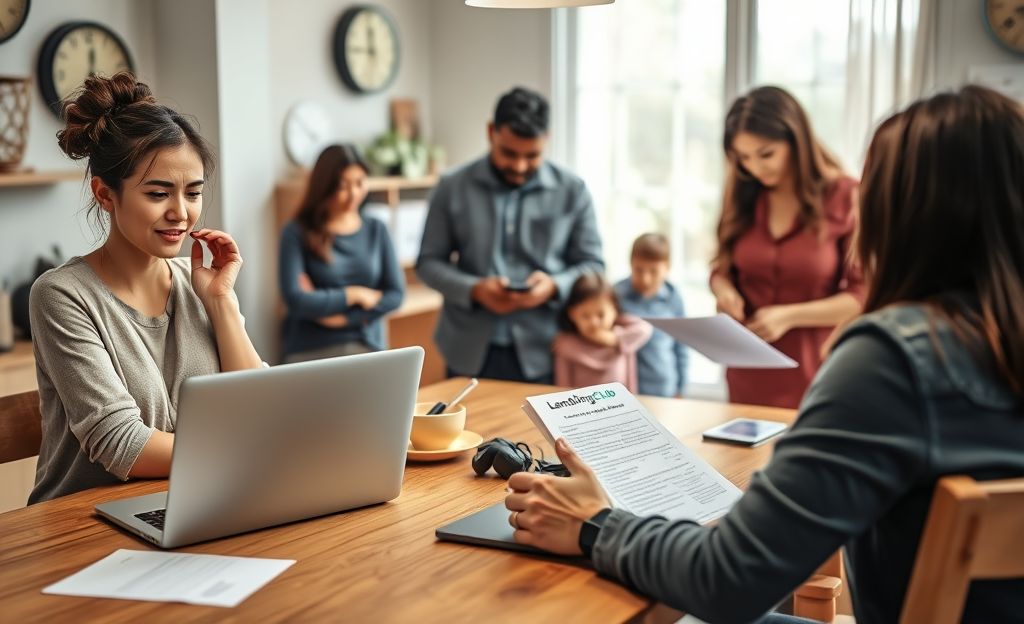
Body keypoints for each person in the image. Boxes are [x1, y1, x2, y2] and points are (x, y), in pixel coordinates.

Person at [504, 86, 1024, 624]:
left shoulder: (893, 360)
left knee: (660, 616)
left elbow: (727, 579)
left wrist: (595, 523)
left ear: (903, 213)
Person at [29, 72, 264, 504]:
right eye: (158, 194)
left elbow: (260, 409)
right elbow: (121, 444)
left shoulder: (199, 284)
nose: (181, 213)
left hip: (195, 500)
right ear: (105, 195)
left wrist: (221, 303)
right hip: (86, 520)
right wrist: (244, 452)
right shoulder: (61, 295)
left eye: (192, 193)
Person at [416, 87, 604, 384]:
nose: (519, 166)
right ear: (491, 132)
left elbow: (594, 266)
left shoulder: (573, 191)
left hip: (548, 350)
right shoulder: (451, 187)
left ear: (547, 137)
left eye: (532, 155)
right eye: (509, 153)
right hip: (466, 350)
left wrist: (553, 286)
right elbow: (428, 263)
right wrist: (475, 290)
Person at [711, 86, 863, 409]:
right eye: (743, 158)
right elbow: (721, 268)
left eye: (765, 154)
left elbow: (863, 295)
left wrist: (790, 316)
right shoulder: (743, 191)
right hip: (745, 372)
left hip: (815, 372)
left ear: (797, 141)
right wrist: (724, 291)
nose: (754, 168)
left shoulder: (847, 196)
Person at [278, 144, 405, 364]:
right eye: (342, 186)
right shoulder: (296, 232)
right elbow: (297, 300)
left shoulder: (377, 229)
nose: (354, 193)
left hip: (367, 344)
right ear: (325, 187)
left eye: (360, 182)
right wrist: (353, 295)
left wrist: (341, 319)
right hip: (311, 349)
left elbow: (395, 295)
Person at [614, 233, 687, 397]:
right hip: (625, 389)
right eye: (638, 270)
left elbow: (681, 347)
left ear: (667, 267)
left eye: (654, 271)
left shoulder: (674, 297)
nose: (645, 279)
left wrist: (681, 389)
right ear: (630, 264)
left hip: (664, 389)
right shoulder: (615, 295)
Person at [553, 274, 652, 393]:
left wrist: (613, 339)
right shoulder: (565, 346)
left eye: (601, 315)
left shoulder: (623, 338)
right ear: (572, 314)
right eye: (585, 316)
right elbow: (563, 391)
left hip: (622, 404)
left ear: (615, 310)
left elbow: (645, 328)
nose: (594, 323)